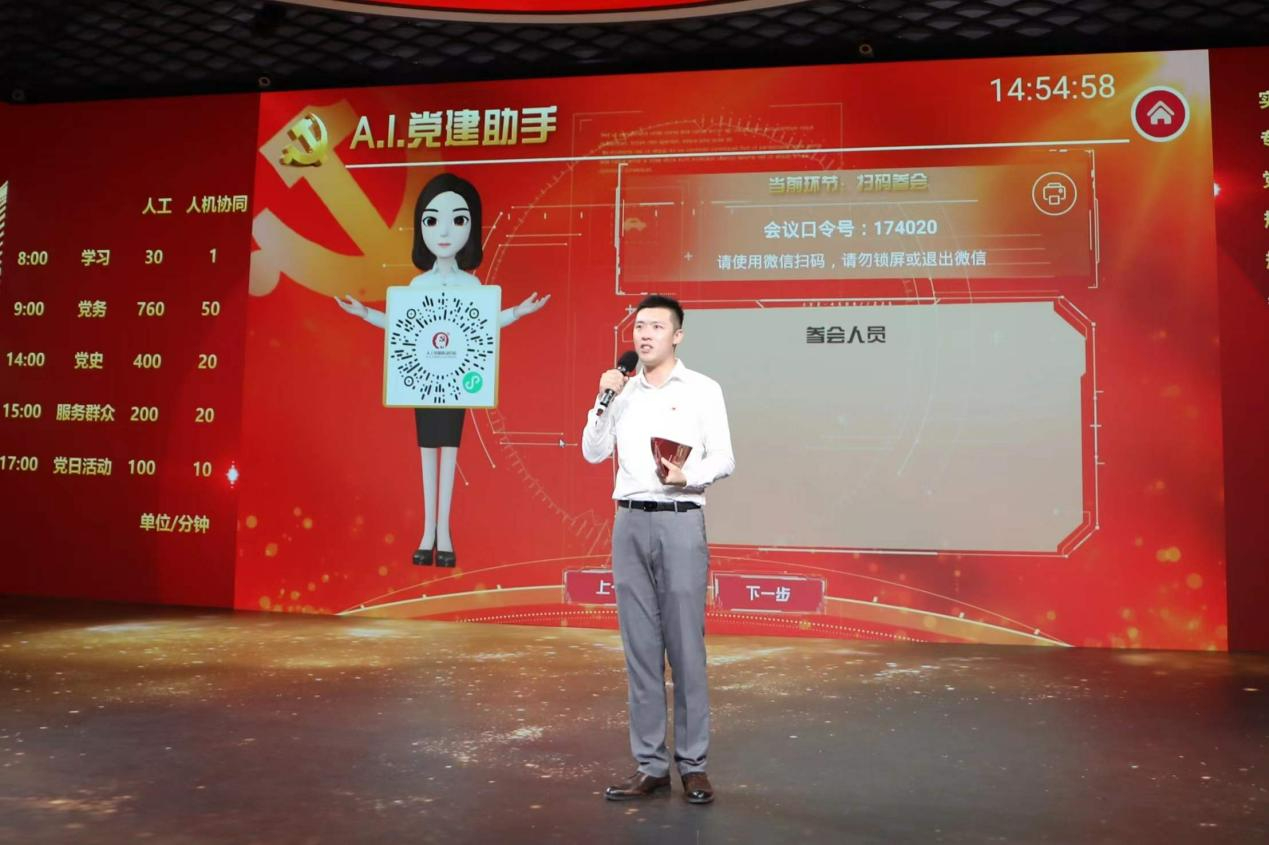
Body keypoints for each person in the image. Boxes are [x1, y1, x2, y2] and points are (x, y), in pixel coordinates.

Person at [337, 172, 549, 567]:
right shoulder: (417, 286)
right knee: (427, 454)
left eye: (459, 220)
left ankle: (444, 533)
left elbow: (482, 325)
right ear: (421, 228)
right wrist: (365, 313)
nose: (445, 232)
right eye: (432, 220)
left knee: (449, 453)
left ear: (472, 227)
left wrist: (518, 312)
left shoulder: (474, 286)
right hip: (423, 379)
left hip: (457, 380)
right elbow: (403, 326)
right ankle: (427, 532)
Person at [581, 294, 735, 805]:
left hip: (680, 520)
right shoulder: (621, 392)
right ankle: (650, 766)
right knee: (641, 651)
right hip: (629, 522)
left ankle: (693, 766)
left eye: (656, 327)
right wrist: (602, 400)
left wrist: (688, 476)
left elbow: (725, 458)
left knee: (686, 649)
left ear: (677, 336)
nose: (644, 335)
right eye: (639, 327)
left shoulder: (702, 390)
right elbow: (593, 452)